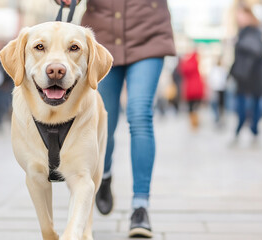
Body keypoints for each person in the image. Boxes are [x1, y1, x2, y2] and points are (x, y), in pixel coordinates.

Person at [56, 0, 175, 237]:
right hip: (103, 38)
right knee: (102, 122)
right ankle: (105, 173)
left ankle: (140, 205)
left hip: (148, 34)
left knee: (140, 114)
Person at [229, 5, 262, 144]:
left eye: (240, 15)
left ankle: (254, 131)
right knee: (240, 106)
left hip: (255, 75)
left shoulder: (256, 31)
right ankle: (240, 130)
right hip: (242, 76)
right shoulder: (241, 32)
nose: (238, 18)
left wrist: (239, 43)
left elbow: (256, 50)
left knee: (254, 105)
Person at [179, 50, 205, 130]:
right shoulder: (196, 63)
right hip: (197, 89)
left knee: (190, 107)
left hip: (189, 90)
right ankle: (195, 122)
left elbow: (182, 72)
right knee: (196, 107)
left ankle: (192, 123)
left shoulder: (186, 64)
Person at [208, 57, 228, 126]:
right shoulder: (216, 69)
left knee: (220, 105)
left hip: (221, 89)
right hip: (216, 89)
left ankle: (220, 117)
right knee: (216, 104)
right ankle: (217, 117)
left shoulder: (222, 69)